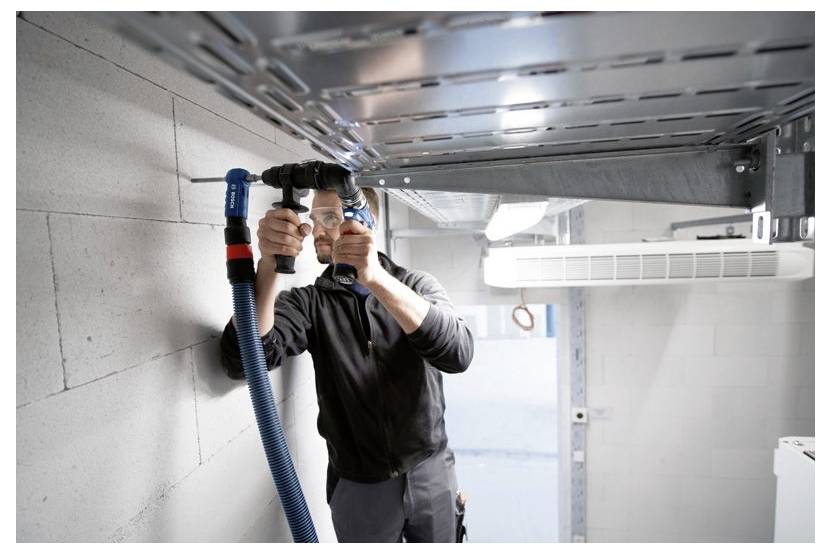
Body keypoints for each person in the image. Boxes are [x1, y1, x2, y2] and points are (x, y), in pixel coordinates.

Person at [220, 187, 474, 543]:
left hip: (430, 470)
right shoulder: (310, 303)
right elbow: (242, 359)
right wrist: (268, 266)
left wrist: (375, 279)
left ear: (365, 223)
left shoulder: (415, 286)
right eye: (314, 219)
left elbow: (458, 352)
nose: (317, 231)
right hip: (359, 484)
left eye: (331, 219)